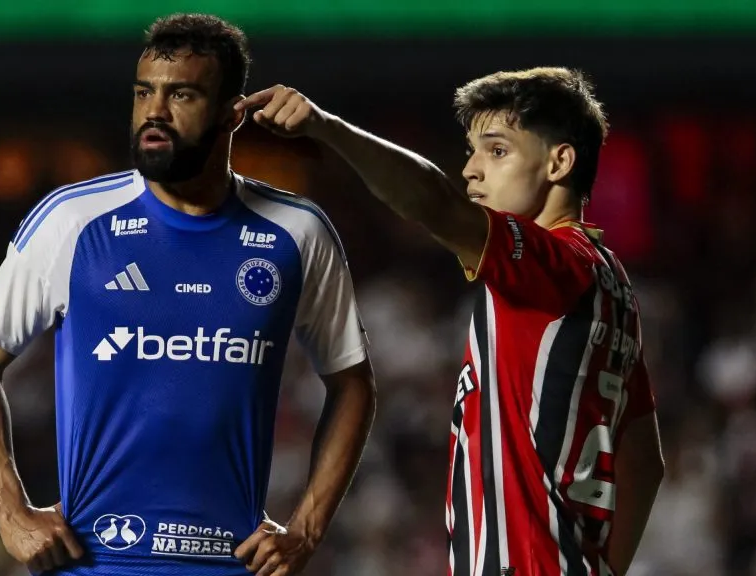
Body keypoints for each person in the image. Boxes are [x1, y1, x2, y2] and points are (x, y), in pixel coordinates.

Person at [0, 14, 375, 576]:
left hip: (231, 564)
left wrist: (306, 530)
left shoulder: (297, 232)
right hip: (92, 561)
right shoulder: (72, 221)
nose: (154, 111)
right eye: (143, 93)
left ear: (231, 114)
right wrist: (11, 514)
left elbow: (352, 384)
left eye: (182, 95)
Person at [238, 68, 664, 576]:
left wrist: (326, 127)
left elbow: (433, 202)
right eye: (472, 151)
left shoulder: (552, 264)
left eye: (497, 150)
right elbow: (644, 462)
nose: (471, 170)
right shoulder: (612, 284)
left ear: (559, 161)